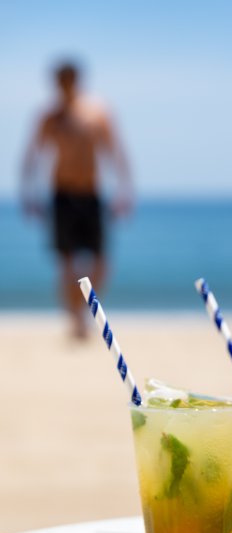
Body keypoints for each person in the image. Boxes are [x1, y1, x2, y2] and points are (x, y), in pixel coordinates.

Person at [20, 61, 133, 338]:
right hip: (62, 195)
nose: (65, 85)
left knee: (101, 262)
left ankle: (83, 309)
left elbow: (115, 151)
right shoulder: (50, 117)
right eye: (61, 81)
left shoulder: (97, 113)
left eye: (69, 80)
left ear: (78, 80)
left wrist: (124, 190)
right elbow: (33, 156)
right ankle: (75, 319)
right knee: (66, 263)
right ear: (56, 83)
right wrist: (28, 194)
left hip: (91, 194)